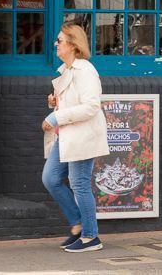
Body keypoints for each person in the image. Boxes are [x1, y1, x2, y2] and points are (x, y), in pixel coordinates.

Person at [42, 20, 109, 253]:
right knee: (50, 178)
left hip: (82, 137)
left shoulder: (85, 71)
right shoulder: (67, 71)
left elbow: (91, 106)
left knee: (80, 184)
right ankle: (79, 224)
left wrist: (55, 118)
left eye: (59, 40)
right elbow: (72, 103)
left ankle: (91, 237)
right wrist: (55, 103)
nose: (55, 44)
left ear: (72, 44)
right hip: (67, 137)